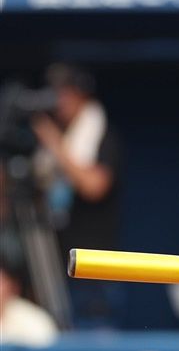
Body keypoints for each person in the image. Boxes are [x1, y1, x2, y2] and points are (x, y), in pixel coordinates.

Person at [32, 63, 124, 329]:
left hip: (94, 268)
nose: (59, 100)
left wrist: (54, 144)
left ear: (81, 94)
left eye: (65, 92)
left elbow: (94, 186)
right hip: (55, 262)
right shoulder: (55, 137)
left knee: (94, 348)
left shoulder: (103, 134)